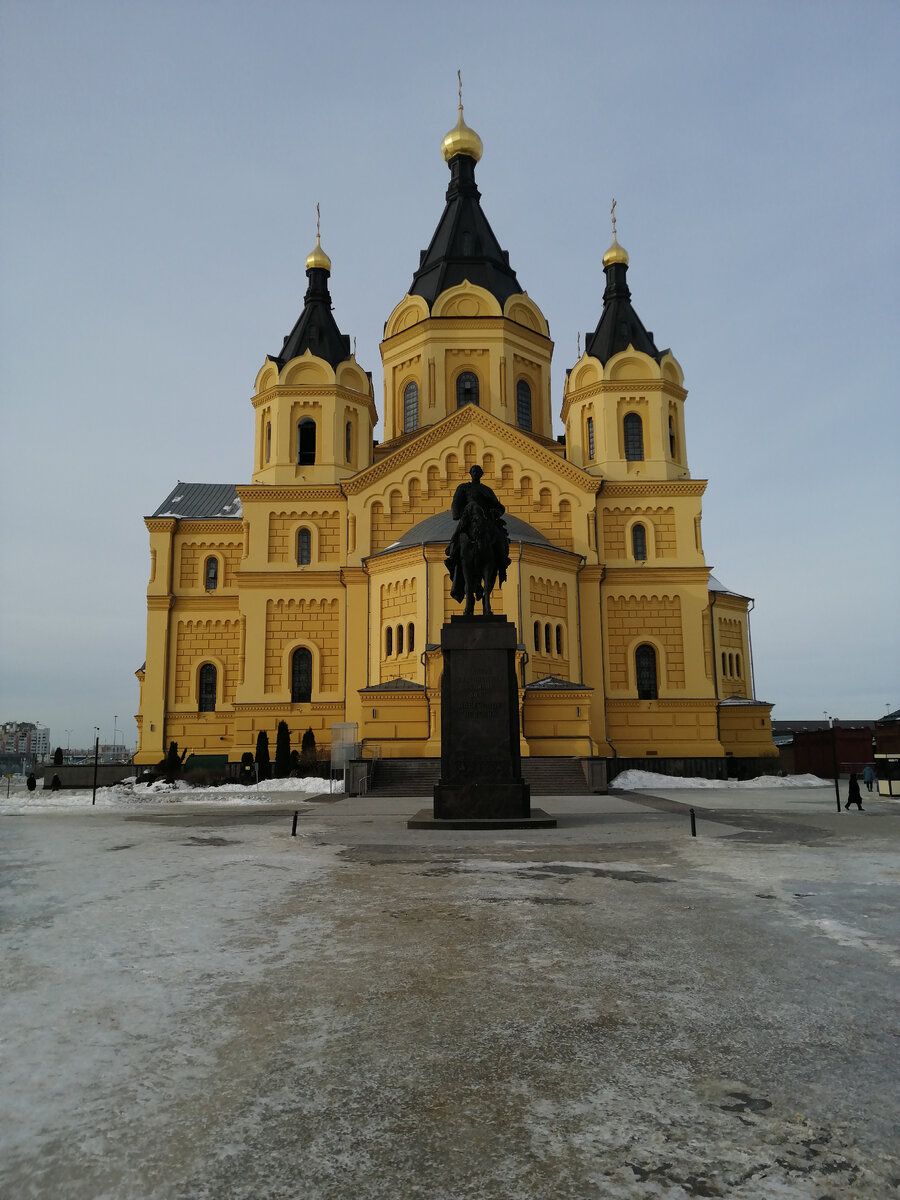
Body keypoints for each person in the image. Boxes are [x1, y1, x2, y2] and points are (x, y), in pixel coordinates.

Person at [444, 464, 510, 603]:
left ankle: (502, 558)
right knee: (459, 533)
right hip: (468, 518)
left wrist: (495, 512)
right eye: (473, 471)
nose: (475, 474)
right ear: (470, 473)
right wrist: (460, 515)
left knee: (499, 536)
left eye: (478, 472)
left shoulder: (486, 490)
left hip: (485, 520)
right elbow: (456, 504)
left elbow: (498, 507)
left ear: (481, 474)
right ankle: (453, 552)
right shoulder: (464, 488)